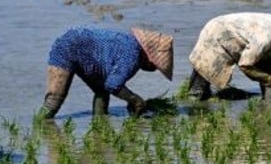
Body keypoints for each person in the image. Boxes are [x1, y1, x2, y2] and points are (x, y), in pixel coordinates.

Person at [39, 26, 174, 118]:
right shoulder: (133, 54)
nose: (154, 69)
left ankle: (99, 122)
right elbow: (113, 84)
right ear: (148, 56)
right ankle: (39, 125)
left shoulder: (131, 46)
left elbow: (107, 86)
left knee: (101, 91)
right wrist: (136, 101)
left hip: (84, 50)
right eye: (155, 65)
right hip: (66, 49)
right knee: (53, 101)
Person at [187, 12, 271, 100]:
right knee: (199, 90)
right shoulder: (265, 37)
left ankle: (270, 107)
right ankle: (195, 110)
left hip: (235, 35)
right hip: (216, 35)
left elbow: (267, 61)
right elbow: (245, 65)